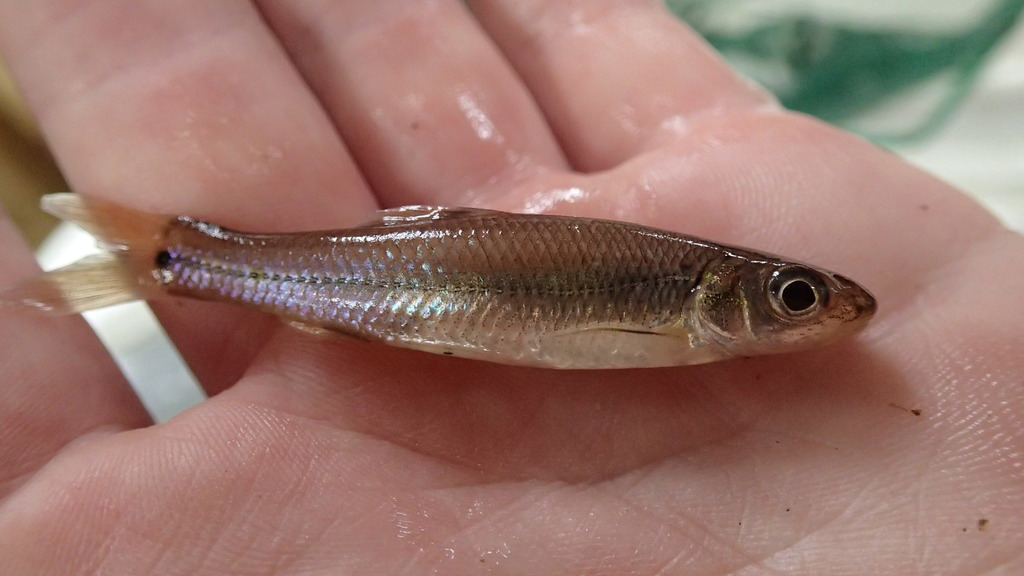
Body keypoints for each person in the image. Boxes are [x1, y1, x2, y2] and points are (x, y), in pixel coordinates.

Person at [0, 2, 1021, 574]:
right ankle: (182, 259)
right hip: (367, 280)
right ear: (725, 296)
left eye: (802, 298)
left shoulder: (691, 313)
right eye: (797, 298)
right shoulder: (682, 301)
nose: (822, 316)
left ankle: (181, 259)